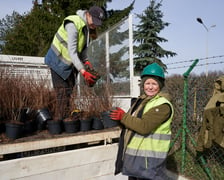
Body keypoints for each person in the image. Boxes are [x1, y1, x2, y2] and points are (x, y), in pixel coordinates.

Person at [110, 62, 174, 180]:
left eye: (154, 84)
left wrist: (123, 117)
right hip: (136, 158)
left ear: (160, 85)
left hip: (149, 161)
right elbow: (132, 121)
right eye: (147, 83)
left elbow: (144, 126)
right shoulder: (141, 101)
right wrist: (119, 119)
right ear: (143, 84)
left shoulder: (163, 105)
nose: (150, 87)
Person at [44, 6, 105, 117]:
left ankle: (65, 119)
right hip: (57, 61)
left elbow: (83, 49)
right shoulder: (72, 24)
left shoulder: (87, 28)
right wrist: (83, 72)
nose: (95, 25)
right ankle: (60, 123)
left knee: (68, 93)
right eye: (94, 21)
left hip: (69, 65)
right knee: (62, 94)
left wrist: (86, 61)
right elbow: (72, 52)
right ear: (88, 15)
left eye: (97, 23)